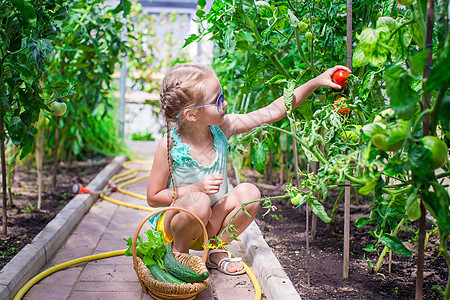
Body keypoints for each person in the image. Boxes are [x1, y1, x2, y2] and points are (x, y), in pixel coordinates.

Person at [147, 63, 350, 275]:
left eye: (222, 95)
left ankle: (215, 249)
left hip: (210, 225)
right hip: (179, 224)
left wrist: (316, 82)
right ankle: (179, 255)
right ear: (191, 115)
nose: (224, 103)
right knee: (200, 201)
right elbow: (153, 197)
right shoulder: (170, 144)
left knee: (250, 194)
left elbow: (274, 111)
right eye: (217, 100)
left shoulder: (223, 128)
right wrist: (196, 188)